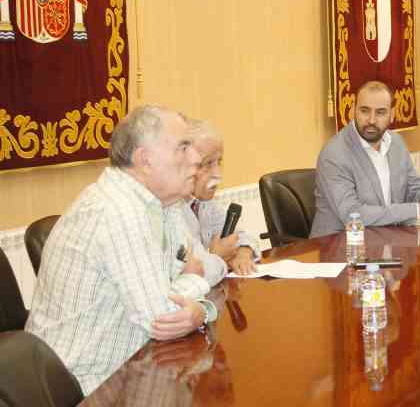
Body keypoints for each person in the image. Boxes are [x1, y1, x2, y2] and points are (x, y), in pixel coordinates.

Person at [25, 106, 219, 395]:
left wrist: (195, 298)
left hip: (135, 367)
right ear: (145, 160)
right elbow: (163, 318)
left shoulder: (164, 205)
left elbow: (210, 265)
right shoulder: (117, 212)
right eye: (183, 147)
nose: (195, 159)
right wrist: (197, 291)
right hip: (84, 386)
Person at [311, 81, 420, 237]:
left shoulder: (396, 142)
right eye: (364, 111)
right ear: (353, 110)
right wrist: (417, 210)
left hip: (386, 240)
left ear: (392, 114)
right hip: (339, 247)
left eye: (380, 112)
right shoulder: (335, 153)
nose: (371, 120)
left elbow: (414, 187)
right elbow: (352, 214)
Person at [184, 119, 259, 275]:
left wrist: (243, 254)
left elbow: (243, 237)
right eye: (208, 164)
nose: (217, 174)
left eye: (219, 162)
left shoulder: (204, 204)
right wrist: (216, 256)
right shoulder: (173, 210)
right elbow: (184, 274)